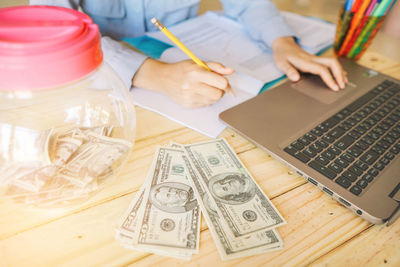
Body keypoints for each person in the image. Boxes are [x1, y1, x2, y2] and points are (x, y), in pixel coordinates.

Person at [30, 0, 347, 108]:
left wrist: (281, 42)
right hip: (98, 91)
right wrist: (154, 74)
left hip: (186, 84)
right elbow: (55, 33)